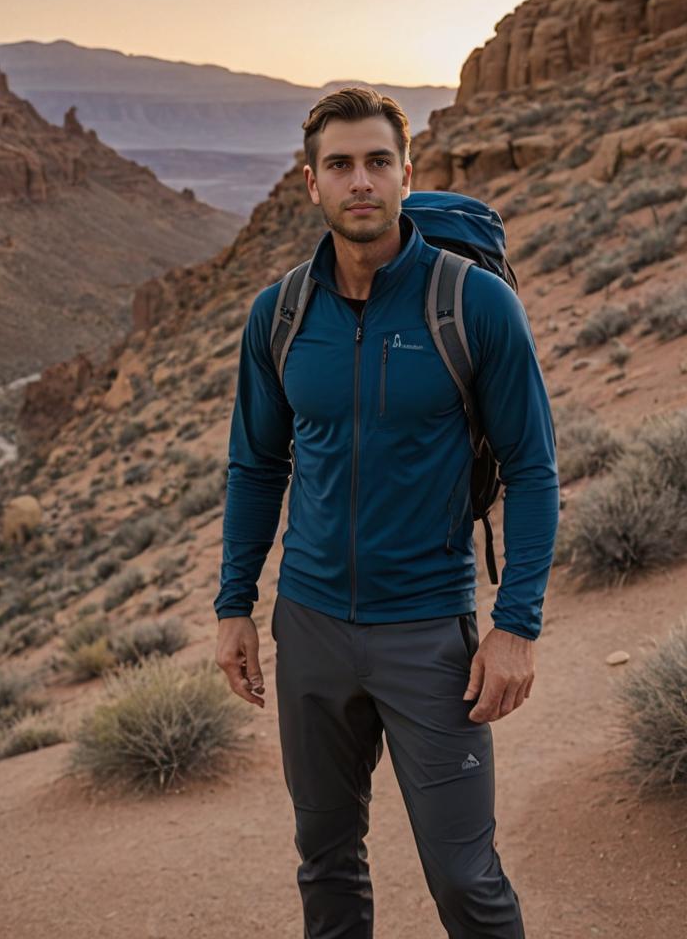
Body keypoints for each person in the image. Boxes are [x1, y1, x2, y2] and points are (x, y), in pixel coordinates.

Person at [214, 85, 559, 938]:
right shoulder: (281, 314)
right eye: (340, 165)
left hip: (428, 633)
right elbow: (256, 468)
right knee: (326, 863)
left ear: (406, 175)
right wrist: (234, 606)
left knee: (465, 877)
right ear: (312, 184)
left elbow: (535, 469)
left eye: (376, 163)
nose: (358, 181)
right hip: (311, 627)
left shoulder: (472, 305)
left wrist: (516, 625)